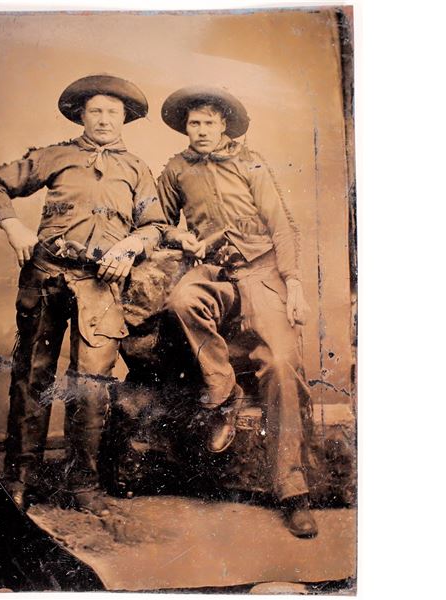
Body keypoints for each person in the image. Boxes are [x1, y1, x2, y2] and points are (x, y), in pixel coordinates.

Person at [0, 75, 165, 516]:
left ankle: (83, 484)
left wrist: (130, 245)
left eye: (113, 113)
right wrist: (13, 227)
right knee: (32, 375)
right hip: (46, 276)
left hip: (100, 287)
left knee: (93, 386)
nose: (103, 120)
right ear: (81, 114)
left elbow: (155, 225)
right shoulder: (54, 155)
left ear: (124, 119)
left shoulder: (137, 169)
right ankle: (20, 478)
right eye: (95, 111)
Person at [157, 86, 318, 538]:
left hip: (261, 271)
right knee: (181, 301)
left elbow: (282, 226)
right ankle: (223, 392)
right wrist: (179, 237)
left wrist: (294, 284)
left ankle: (292, 490)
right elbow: (157, 222)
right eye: (194, 123)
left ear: (224, 125)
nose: (201, 130)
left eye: (209, 122)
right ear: (185, 128)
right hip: (212, 270)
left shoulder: (251, 163)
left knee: (280, 364)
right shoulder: (176, 168)